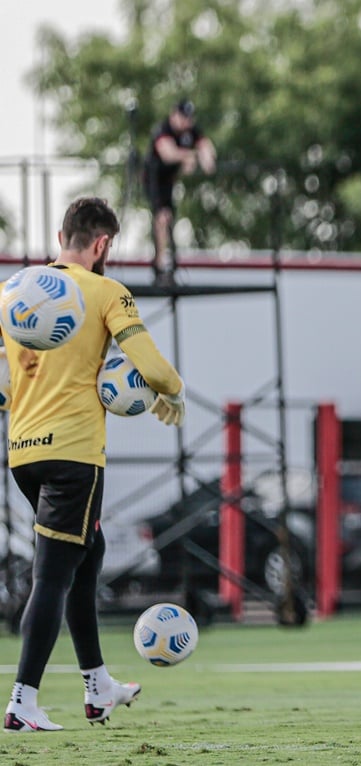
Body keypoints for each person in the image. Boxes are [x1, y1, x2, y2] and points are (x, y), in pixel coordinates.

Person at [3, 197, 187, 733]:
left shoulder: (11, 293)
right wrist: (170, 392)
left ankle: (97, 685)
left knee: (89, 551)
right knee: (53, 575)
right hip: (74, 457)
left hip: (24, 454)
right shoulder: (107, 291)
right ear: (102, 243)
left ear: (63, 236)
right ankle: (22, 701)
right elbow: (151, 364)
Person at [142, 99, 217, 286]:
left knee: (169, 220)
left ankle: (169, 263)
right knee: (162, 217)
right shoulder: (164, 129)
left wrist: (206, 158)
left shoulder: (191, 132)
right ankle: (159, 264)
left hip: (169, 182)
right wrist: (190, 156)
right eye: (183, 117)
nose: (186, 122)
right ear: (174, 115)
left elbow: (205, 144)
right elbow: (168, 153)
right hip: (153, 179)